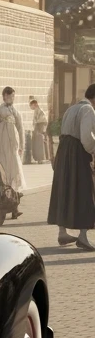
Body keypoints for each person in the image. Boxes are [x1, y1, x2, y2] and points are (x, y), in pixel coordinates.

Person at [47, 83, 95, 250]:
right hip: (77, 152)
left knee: (64, 189)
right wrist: (93, 150)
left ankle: (62, 232)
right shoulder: (88, 110)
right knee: (85, 191)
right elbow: (86, 137)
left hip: (64, 150)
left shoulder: (71, 109)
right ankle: (83, 236)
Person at [0, 87, 26, 193]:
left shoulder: (16, 112)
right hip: (0, 141)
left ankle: (12, 188)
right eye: (9, 96)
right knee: (2, 162)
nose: (11, 98)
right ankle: (2, 187)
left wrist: (22, 145)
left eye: (13, 96)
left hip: (12, 141)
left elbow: (20, 129)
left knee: (13, 163)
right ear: (4, 96)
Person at [29, 99, 49, 164]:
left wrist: (41, 130)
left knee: (39, 143)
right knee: (37, 143)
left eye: (31, 105)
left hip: (40, 128)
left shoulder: (40, 111)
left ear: (34, 105)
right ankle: (39, 158)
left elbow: (43, 121)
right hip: (38, 128)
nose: (31, 107)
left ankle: (41, 158)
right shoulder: (37, 111)